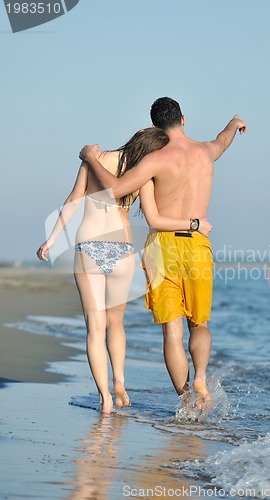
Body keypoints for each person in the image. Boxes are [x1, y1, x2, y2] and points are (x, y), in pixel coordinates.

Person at [79, 97, 247, 405]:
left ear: (156, 126)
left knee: (172, 331)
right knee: (200, 323)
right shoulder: (206, 152)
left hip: (162, 246)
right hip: (197, 243)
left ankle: (185, 399)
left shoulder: (155, 161)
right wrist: (234, 124)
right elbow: (223, 141)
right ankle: (200, 376)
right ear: (183, 119)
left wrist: (90, 159)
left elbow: (115, 189)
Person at [36, 127, 212, 414]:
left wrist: (52, 239)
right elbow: (155, 216)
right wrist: (193, 224)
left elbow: (72, 202)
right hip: (122, 251)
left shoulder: (94, 159)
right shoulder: (142, 173)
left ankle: (105, 399)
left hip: (90, 248)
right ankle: (119, 382)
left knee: (95, 329)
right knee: (116, 324)